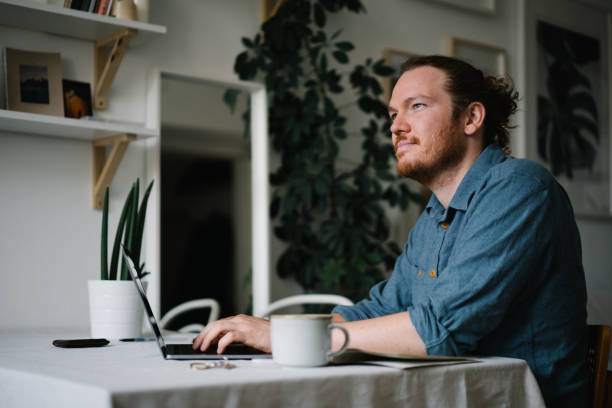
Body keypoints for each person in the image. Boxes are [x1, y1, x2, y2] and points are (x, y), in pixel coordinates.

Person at [193, 55, 589, 407]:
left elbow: (439, 330)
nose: (396, 126)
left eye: (416, 106)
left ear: (471, 118)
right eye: (392, 114)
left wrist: (283, 338)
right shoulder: (436, 215)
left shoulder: (519, 187)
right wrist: (275, 332)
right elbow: (382, 309)